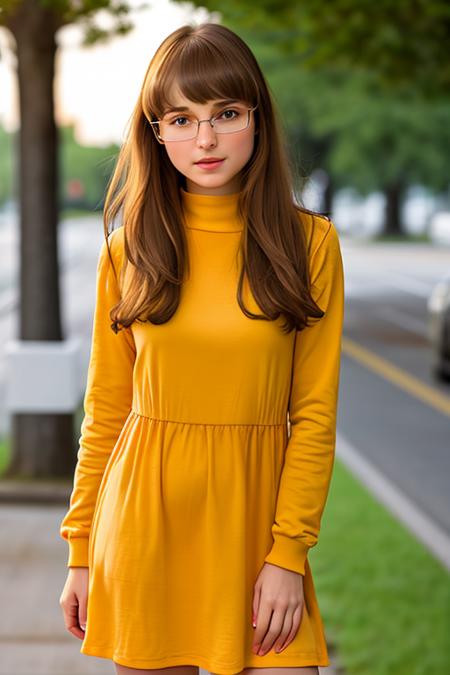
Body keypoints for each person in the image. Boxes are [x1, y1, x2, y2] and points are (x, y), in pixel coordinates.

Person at [58, 21, 344, 675]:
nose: (205, 138)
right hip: (143, 531)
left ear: (258, 119)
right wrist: (79, 551)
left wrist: (288, 556)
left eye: (226, 113)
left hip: (257, 537)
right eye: (180, 119)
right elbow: (105, 412)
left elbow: (316, 415)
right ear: (155, 132)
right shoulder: (127, 250)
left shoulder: (311, 246)